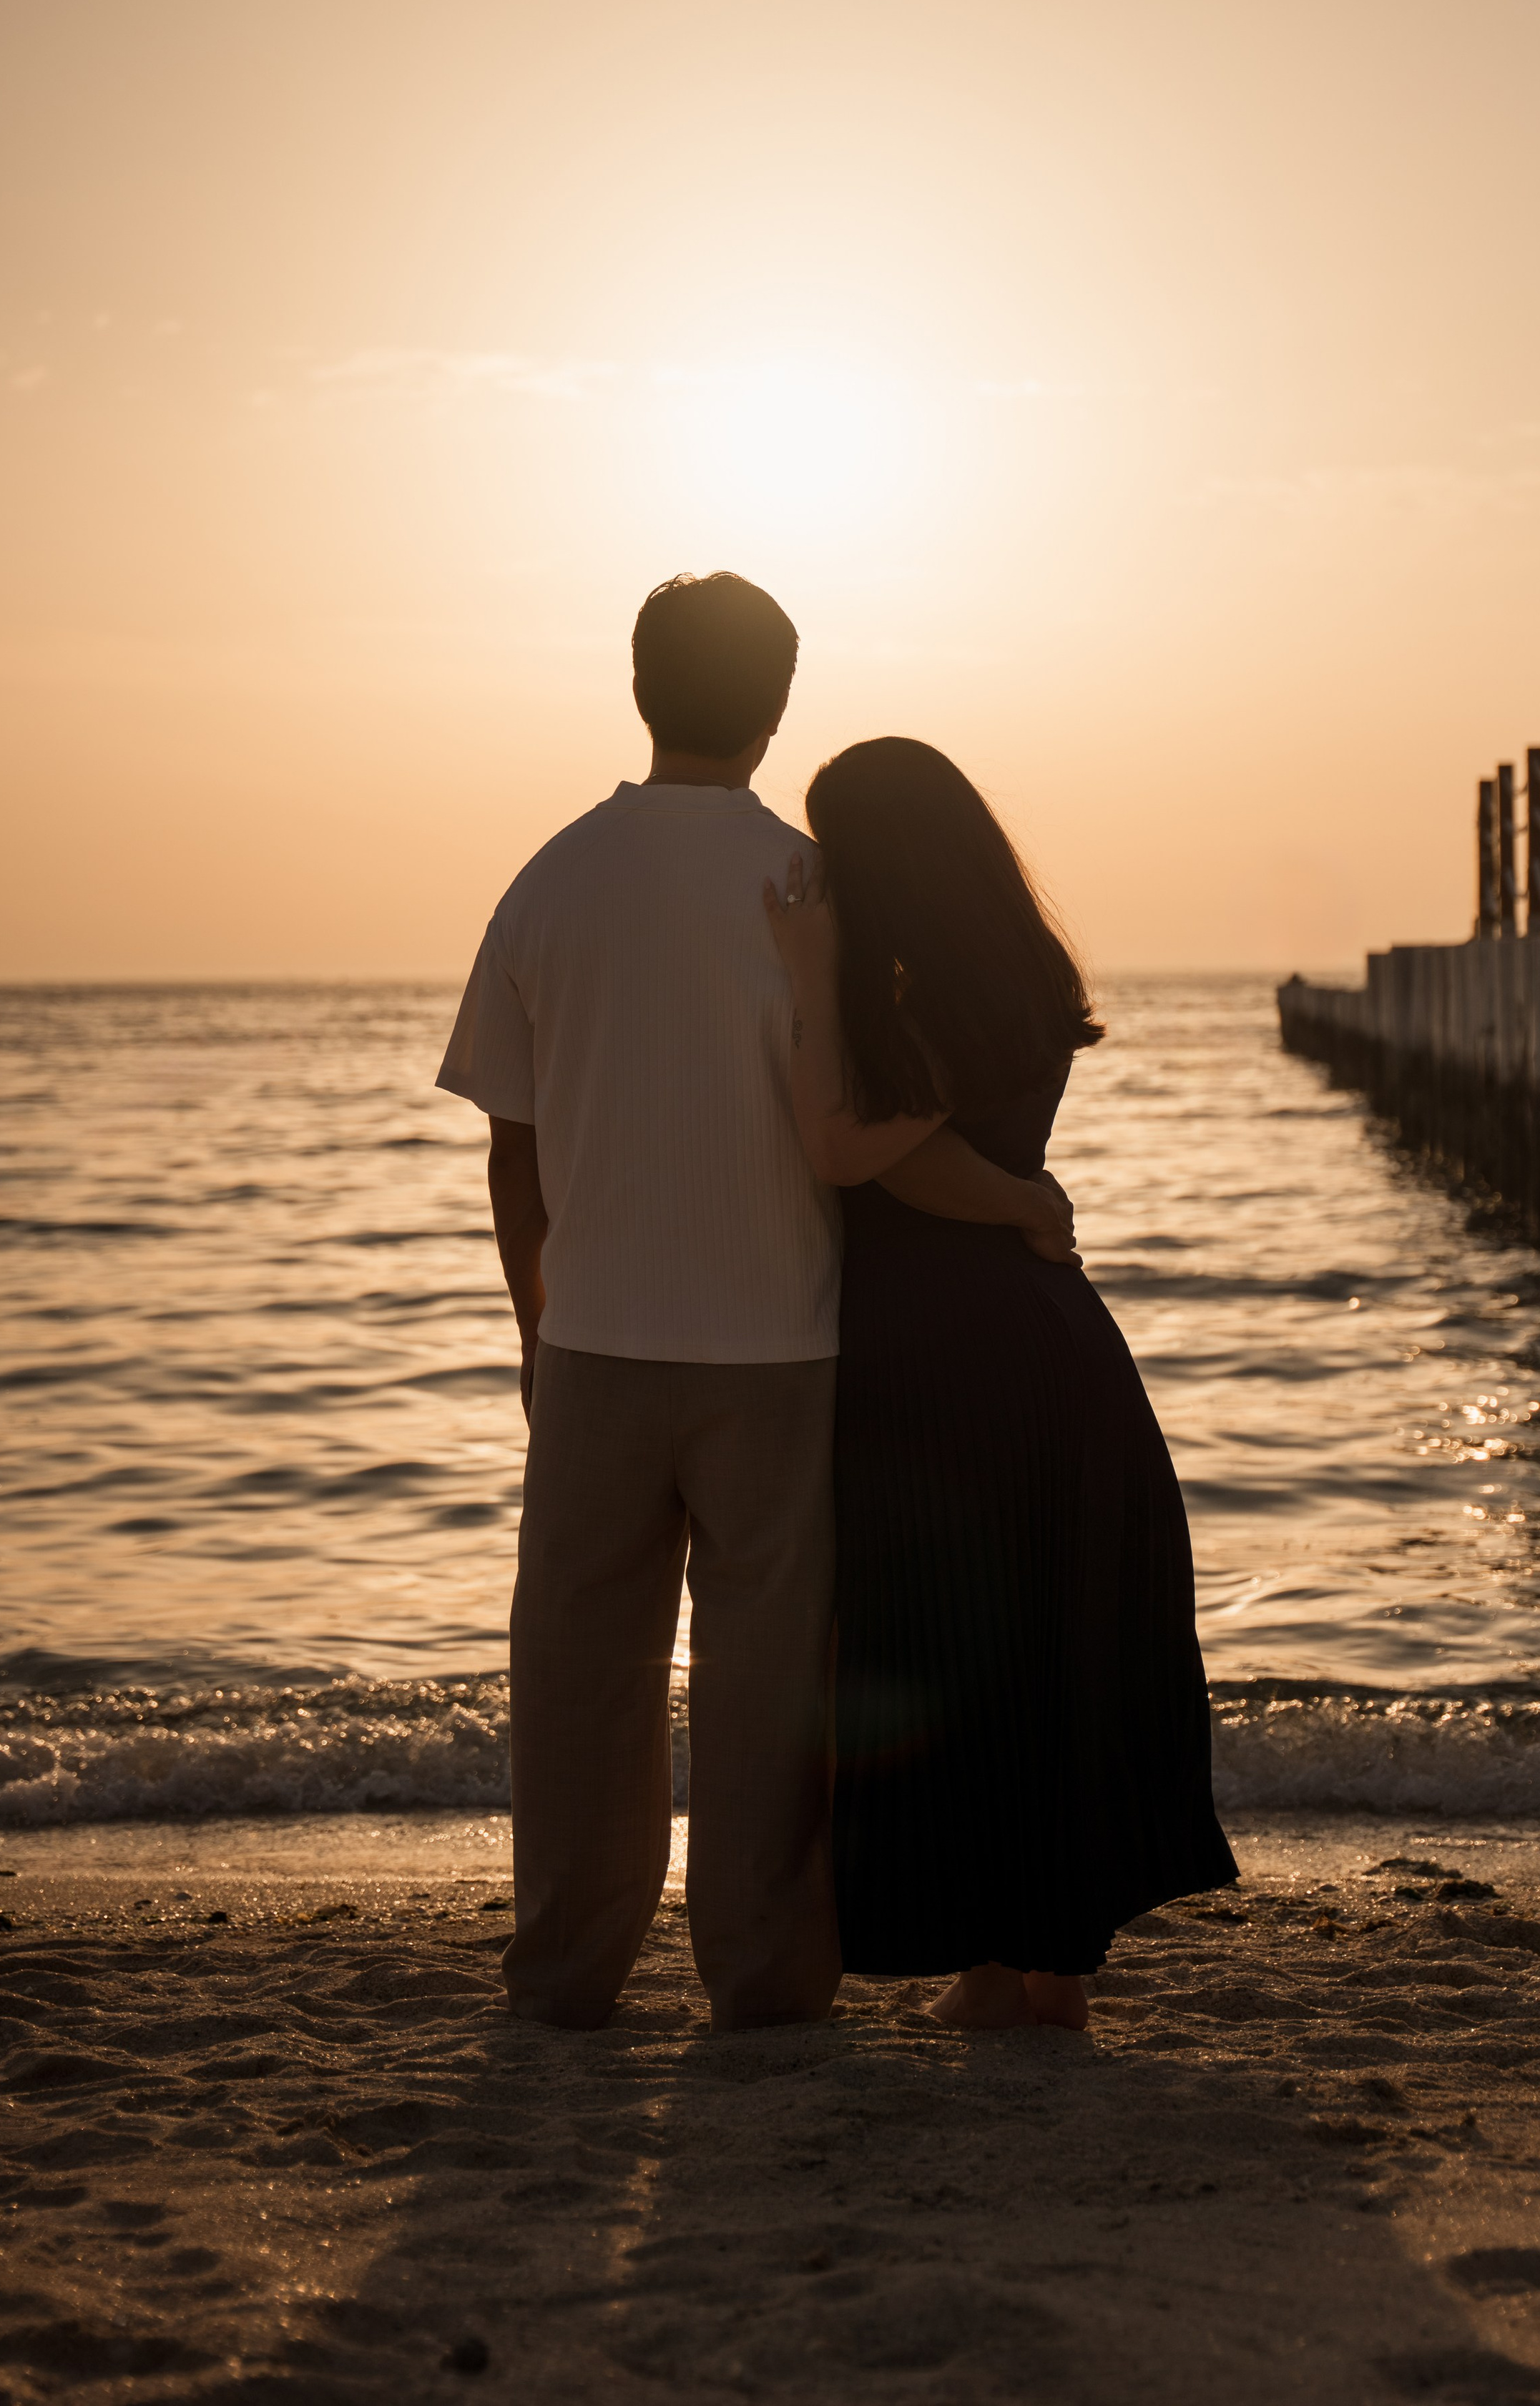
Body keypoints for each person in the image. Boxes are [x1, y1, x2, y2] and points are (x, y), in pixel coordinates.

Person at [437, 576, 1077, 2030]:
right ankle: (766, 1974)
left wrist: (534, 1325)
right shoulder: (819, 892)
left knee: (580, 1672)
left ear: (639, 686)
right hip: (785, 1342)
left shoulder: (547, 880)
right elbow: (870, 1123)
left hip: (595, 1338)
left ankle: (565, 1970)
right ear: (777, 706)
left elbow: (511, 1149)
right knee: (769, 1676)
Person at [764, 736, 1236, 2030]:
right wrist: (1026, 1199)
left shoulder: (929, 991)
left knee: (966, 1651)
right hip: (1040, 1342)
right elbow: (938, 1151)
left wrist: (806, 968)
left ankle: (1009, 1969)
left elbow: (853, 1147)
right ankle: (1038, 1969)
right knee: (1042, 1647)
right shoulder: (1012, 968)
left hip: (951, 1354)